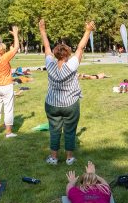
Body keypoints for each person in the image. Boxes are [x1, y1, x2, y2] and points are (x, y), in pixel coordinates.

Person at [39, 18, 94, 165]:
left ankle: (53, 158)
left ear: (55, 55)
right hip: (70, 104)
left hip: (52, 103)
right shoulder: (72, 65)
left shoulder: (50, 64)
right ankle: (69, 158)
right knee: (70, 130)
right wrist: (88, 31)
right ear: (68, 54)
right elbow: (81, 48)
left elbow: (46, 47)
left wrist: (43, 31)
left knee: (54, 130)